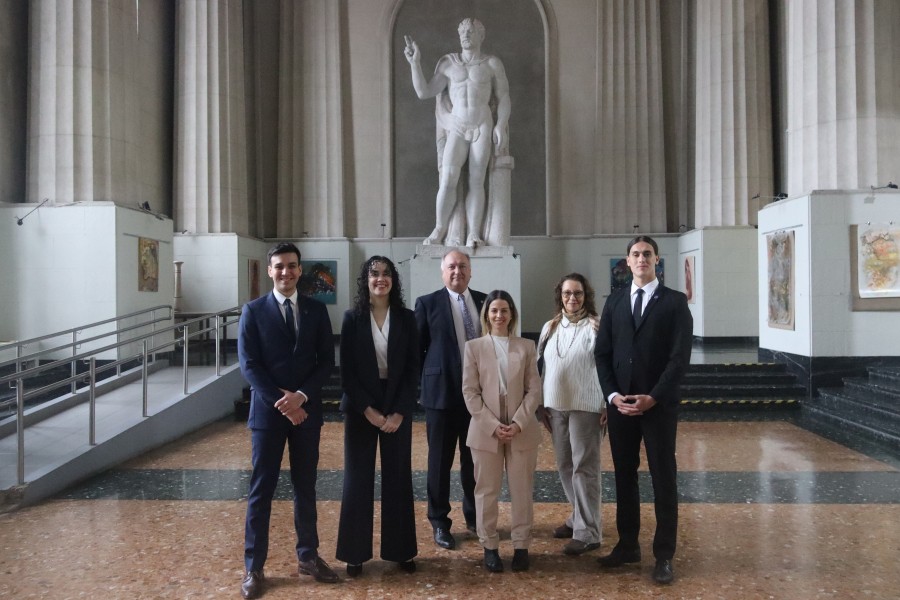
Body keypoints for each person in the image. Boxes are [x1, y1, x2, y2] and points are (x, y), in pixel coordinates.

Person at [237, 242, 338, 599]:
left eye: (292, 266)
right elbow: (249, 364)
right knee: (261, 490)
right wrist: (283, 402)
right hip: (268, 415)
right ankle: (254, 566)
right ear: (270, 271)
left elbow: (326, 360)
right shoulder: (253, 311)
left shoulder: (315, 311)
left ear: (300, 270)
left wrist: (302, 397)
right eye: (279, 266)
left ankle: (308, 556)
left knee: (305, 487)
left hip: (306, 413)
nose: (286, 272)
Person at [594, 236, 693, 585]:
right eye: (635, 254)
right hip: (622, 406)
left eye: (647, 254)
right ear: (627, 260)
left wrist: (653, 396)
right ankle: (627, 544)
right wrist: (612, 395)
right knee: (625, 475)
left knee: (663, 477)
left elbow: (679, 359)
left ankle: (664, 554)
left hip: (658, 407)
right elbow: (602, 354)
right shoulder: (615, 302)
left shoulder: (675, 303)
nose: (641, 259)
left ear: (656, 260)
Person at [336, 256, 418, 577]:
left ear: (393, 280)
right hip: (361, 408)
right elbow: (347, 374)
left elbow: (413, 369)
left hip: (397, 404)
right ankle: (354, 554)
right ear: (365, 280)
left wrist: (399, 411)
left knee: (398, 479)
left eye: (386, 274)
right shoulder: (352, 318)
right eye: (374, 274)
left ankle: (401, 551)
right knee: (357, 480)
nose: (380, 279)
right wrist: (367, 410)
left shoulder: (407, 318)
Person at [404, 18, 510, 248]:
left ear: (481, 35)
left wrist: (501, 124)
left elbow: (503, 98)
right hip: (458, 125)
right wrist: (415, 63)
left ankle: (473, 233)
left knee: (476, 180)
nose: (465, 35)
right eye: (462, 31)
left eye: (471, 31)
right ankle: (439, 229)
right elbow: (424, 92)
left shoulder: (491, 64)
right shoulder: (448, 64)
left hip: (482, 124)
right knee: (448, 179)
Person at [462, 290, 542, 573]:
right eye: (494, 310)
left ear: (512, 314)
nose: (499, 315)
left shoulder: (526, 346)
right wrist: (493, 425)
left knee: (522, 490)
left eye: (504, 310)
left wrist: (519, 422)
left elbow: (535, 389)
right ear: (486, 315)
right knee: (486, 490)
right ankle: (490, 546)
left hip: (522, 427)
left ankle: (521, 546)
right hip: (486, 428)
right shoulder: (473, 347)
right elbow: (470, 392)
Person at [414, 249, 486, 550]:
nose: (457, 271)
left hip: (479, 399)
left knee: (476, 462)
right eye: (452, 266)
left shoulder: (484, 302)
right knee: (439, 463)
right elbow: (416, 352)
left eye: (463, 266)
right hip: (441, 398)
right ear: (443, 272)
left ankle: (475, 516)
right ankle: (440, 522)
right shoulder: (427, 304)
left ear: (470, 271)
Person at [536, 273, 607, 556]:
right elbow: (540, 367)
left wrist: (608, 403)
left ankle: (589, 532)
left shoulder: (597, 327)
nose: (572, 298)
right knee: (565, 465)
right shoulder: (550, 326)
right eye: (567, 293)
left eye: (577, 293)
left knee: (584, 468)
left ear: (585, 296)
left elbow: (607, 366)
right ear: (560, 296)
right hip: (556, 405)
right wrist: (540, 404)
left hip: (587, 405)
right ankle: (579, 517)